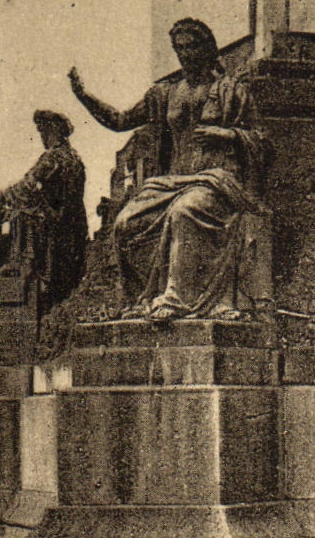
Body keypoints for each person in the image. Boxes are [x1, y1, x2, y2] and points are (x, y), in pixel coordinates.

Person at [69, 17, 270, 322]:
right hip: (173, 182)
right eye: (179, 49)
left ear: (208, 49)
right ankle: (141, 299)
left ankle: (176, 297)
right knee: (126, 222)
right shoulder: (164, 94)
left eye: (191, 47)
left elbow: (263, 142)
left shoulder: (230, 91)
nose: (185, 55)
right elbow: (121, 120)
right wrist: (84, 97)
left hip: (216, 182)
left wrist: (227, 134)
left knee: (184, 212)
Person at [0, 109, 88, 327]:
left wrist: (4, 200)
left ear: (52, 131)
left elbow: (25, 186)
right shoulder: (75, 159)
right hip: (73, 233)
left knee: (4, 200)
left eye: (43, 132)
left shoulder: (53, 158)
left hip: (53, 233)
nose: (41, 137)